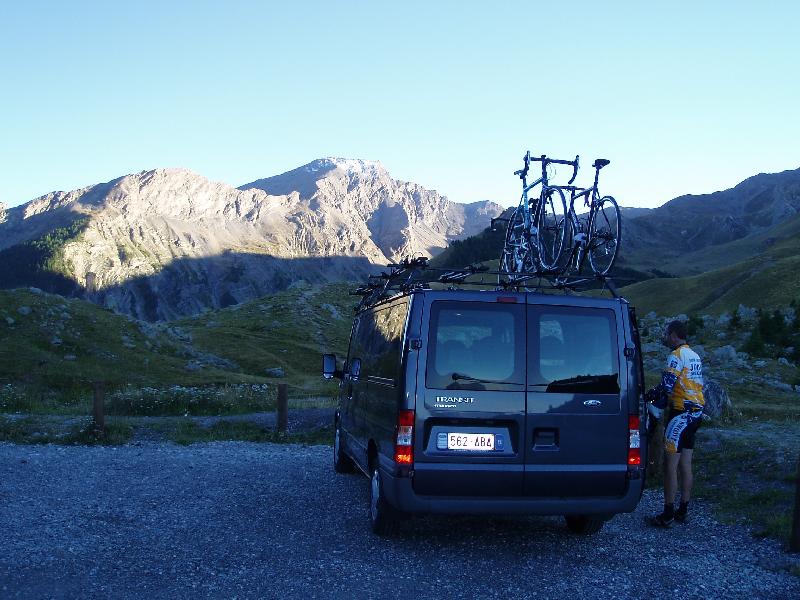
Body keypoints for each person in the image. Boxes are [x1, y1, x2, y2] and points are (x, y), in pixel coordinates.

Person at [646, 319, 705, 527]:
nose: (665, 337)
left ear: (673, 335)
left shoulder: (676, 355)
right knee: (686, 463)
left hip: (680, 413)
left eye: (666, 334)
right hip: (696, 413)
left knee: (670, 465)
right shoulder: (695, 355)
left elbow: (667, 385)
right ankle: (683, 510)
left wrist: (651, 395)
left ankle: (668, 513)